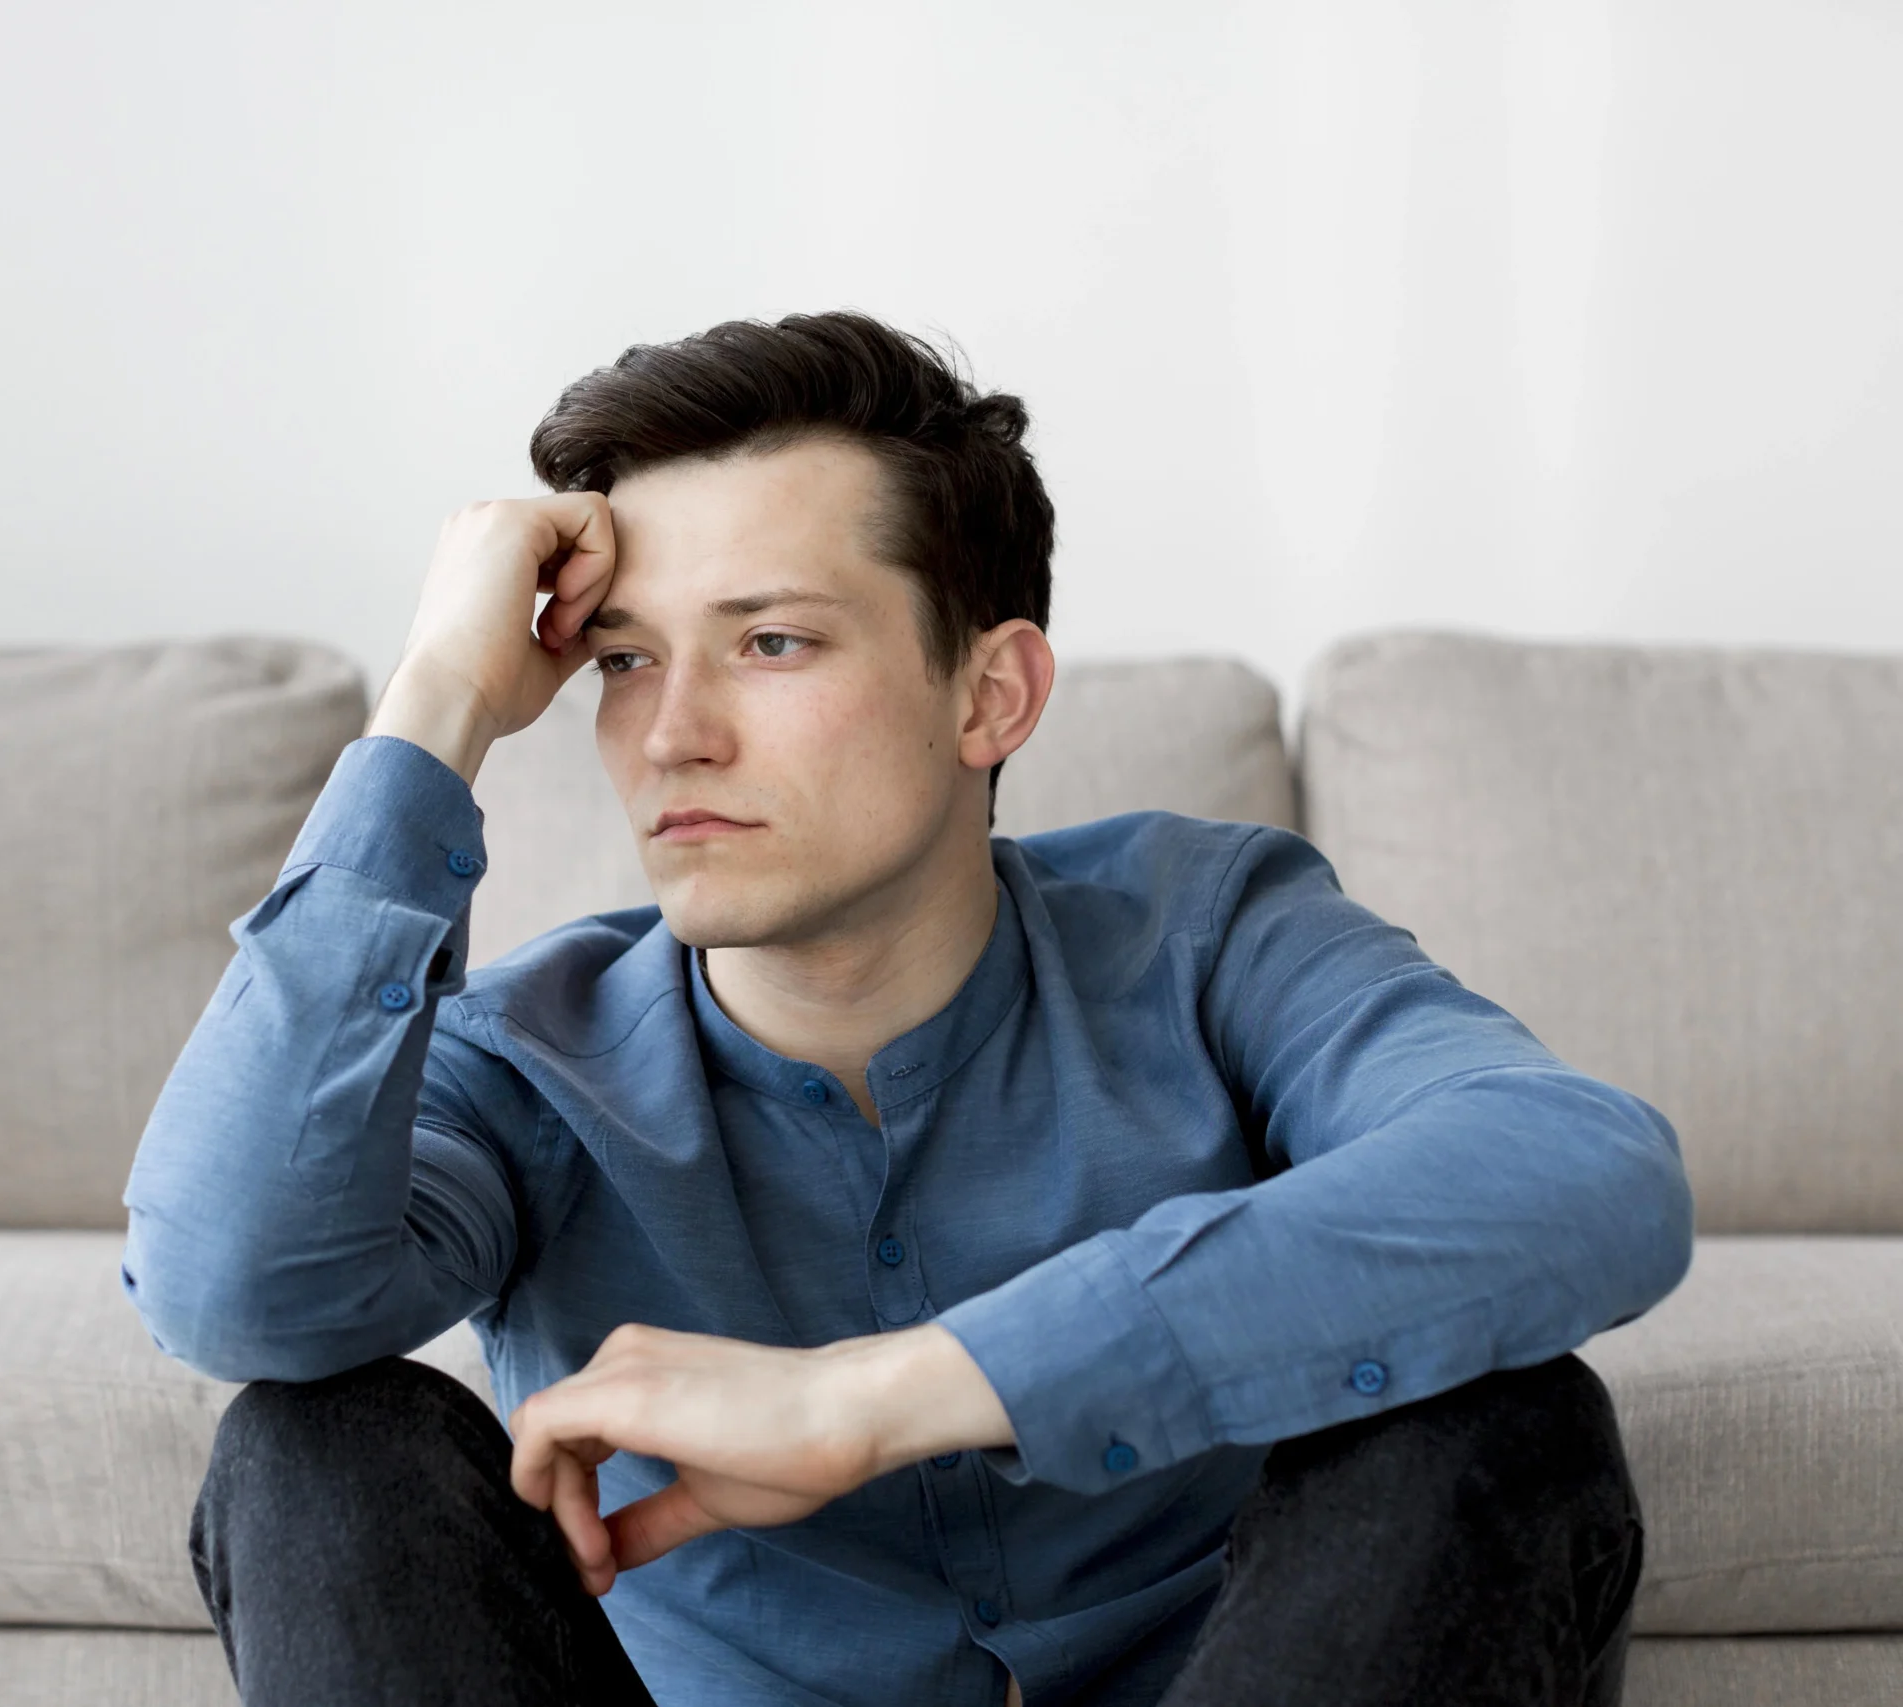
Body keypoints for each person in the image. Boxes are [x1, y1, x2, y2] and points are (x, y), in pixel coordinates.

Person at [119, 312, 1691, 1707]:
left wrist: (885, 1393)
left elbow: (1577, 1170)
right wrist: (437, 701)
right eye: (621, 660)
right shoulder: (532, 1056)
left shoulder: (1207, 932)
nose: (672, 735)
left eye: (771, 641)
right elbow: (233, 1292)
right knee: (314, 1450)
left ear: (988, 694)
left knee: (1502, 1422)